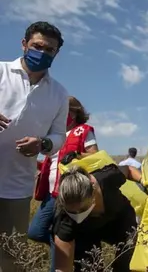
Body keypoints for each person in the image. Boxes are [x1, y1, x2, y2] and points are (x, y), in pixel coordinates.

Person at [0, 21, 69, 272]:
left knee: (10, 257)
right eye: (37, 46)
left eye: (49, 49)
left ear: (56, 53)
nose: (42, 52)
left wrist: (43, 143)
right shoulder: (1, 71)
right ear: (24, 44)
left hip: (17, 187)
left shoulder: (59, 94)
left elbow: (59, 136)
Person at [28, 97, 99, 270]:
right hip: (50, 194)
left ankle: (61, 262)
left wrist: (77, 155)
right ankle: (67, 249)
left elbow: (96, 157)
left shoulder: (83, 131)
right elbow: (50, 163)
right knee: (35, 231)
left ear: (74, 113)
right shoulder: (53, 137)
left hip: (68, 194)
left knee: (61, 234)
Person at [53, 165, 137, 272]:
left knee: (127, 258)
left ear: (92, 193)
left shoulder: (106, 179)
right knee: (88, 267)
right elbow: (63, 268)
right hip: (85, 232)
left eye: (83, 209)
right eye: (72, 212)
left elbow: (128, 170)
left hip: (120, 220)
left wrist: (145, 181)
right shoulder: (64, 218)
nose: (77, 215)